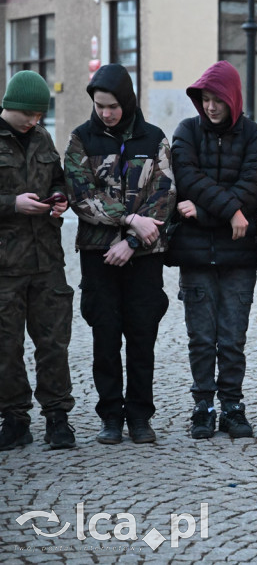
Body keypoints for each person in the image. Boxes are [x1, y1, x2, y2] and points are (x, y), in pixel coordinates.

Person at [65, 64, 175, 445]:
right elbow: (81, 196)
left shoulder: (154, 138)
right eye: (99, 106)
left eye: (112, 106)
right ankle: (110, 417)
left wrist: (131, 241)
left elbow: (164, 194)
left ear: (126, 102)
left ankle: (141, 417)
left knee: (142, 336)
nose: (106, 113)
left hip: (144, 254)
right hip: (98, 255)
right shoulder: (82, 140)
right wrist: (127, 220)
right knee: (106, 337)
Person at [167, 61, 257, 439]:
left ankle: (233, 406)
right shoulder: (186, 132)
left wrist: (208, 211)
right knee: (201, 338)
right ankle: (203, 407)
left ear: (233, 100)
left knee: (232, 338)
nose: (210, 107)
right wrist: (230, 214)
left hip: (238, 256)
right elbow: (187, 177)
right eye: (206, 100)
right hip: (194, 254)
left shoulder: (254, 136)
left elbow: (251, 188)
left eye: (218, 100)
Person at [0, 70, 77, 451]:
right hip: (5, 265)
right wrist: (12, 204)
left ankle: (58, 418)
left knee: (53, 343)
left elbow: (58, 179)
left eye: (39, 115)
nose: (34, 121)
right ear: (11, 107)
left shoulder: (43, 138)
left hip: (46, 260)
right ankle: (15, 419)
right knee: (5, 345)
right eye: (28, 115)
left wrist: (59, 198)